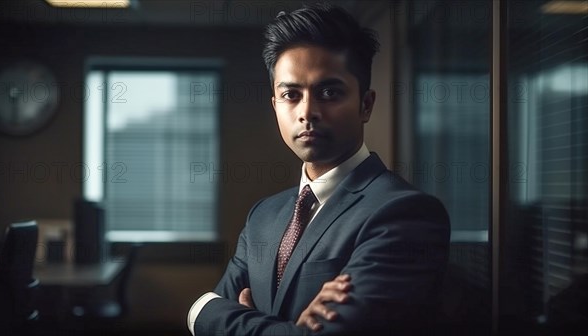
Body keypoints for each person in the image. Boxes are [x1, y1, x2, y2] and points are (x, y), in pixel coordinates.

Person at [187, 3, 450, 335]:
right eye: (291, 94)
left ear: (365, 105)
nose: (307, 111)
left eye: (329, 92)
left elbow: (217, 313)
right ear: (275, 105)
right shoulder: (263, 216)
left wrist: (203, 312)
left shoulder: (405, 214)